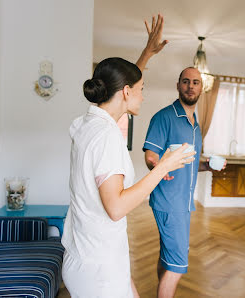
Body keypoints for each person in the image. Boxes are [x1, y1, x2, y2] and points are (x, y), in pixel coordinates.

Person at [61, 15, 196, 298]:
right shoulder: (106, 137)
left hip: (90, 252)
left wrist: (147, 53)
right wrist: (164, 167)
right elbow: (116, 207)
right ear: (126, 92)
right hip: (99, 268)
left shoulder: (86, 124)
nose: (143, 96)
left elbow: (127, 82)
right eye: (141, 90)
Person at [143, 67, 226, 297]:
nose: (191, 86)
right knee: (177, 266)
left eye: (196, 82)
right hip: (170, 202)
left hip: (183, 203)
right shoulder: (164, 117)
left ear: (201, 88)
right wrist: (158, 167)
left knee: (168, 258)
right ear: (178, 85)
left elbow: (191, 162)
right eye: (186, 82)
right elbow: (151, 155)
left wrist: (208, 165)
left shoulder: (195, 124)